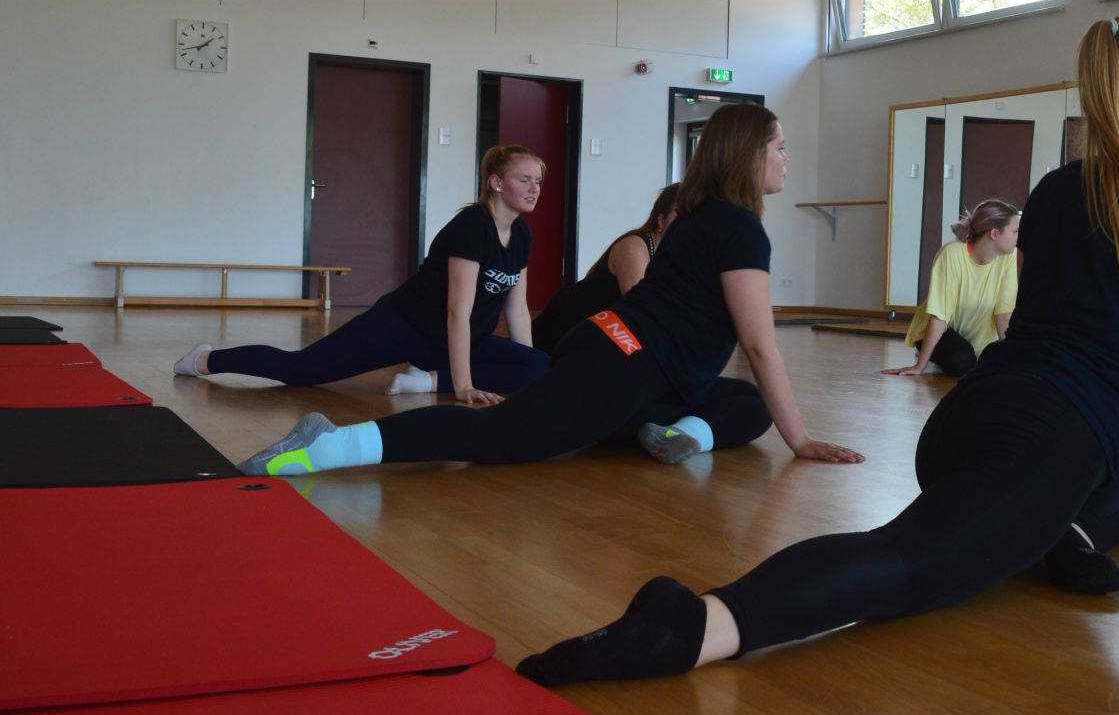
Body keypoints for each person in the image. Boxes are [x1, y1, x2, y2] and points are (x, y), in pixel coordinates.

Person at [510, 11, 1119, 689]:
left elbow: (1061, 331)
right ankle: (692, 624)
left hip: (969, 421)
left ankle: (1051, 532)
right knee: (904, 566)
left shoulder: (1056, 191)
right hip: (1038, 443)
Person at [235, 102, 865, 476]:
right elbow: (760, 344)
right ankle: (332, 445)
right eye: (780, 148)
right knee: (505, 437)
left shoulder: (701, 216)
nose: (786, 159)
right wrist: (801, 441)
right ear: (750, 155)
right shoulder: (739, 227)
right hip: (623, 362)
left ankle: (677, 435)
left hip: (629, 360)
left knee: (746, 405)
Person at [174, 146, 549, 402]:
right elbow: (457, 312)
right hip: (402, 327)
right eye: (525, 180)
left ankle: (428, 380)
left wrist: (523, 360)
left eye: (538, 182)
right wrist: (465, 386)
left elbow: (517, 310)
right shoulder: (472, 227)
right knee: (301, 370)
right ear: (496, 182)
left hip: (452, 342)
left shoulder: (521, 235)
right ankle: (205, 360)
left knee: (537, 367)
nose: (535, 189)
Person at [530, 184, 679, 355]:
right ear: (661, 220)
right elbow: (643, 310)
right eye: (680, 216)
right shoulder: (635, 246)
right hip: (564, 329)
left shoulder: (673, 256)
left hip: (594, 339)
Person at [883, 200, 1019, 377]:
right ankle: (931, 352)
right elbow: (939, 317)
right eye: (1015, 231)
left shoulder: (1009, 257)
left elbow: (1003, 315)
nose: (1019, 237)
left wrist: (1012, 363)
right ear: (994, 233)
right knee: (963, 362)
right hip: (942, 330)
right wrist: (919, 367)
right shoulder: (952, 254)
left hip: (979, 338)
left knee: (996, 362)